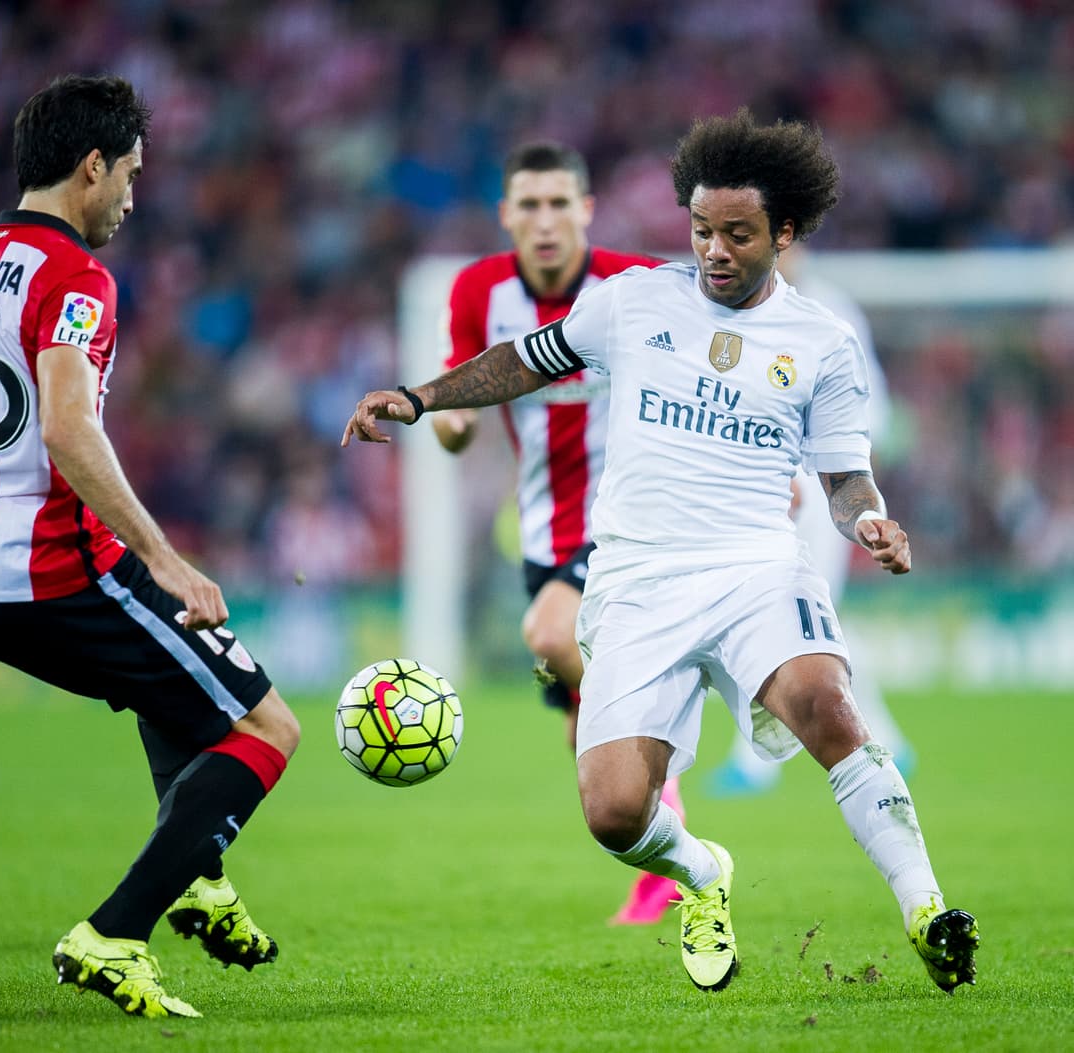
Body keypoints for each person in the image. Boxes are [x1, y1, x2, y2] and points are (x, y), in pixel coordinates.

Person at [344, 109, 977, 995]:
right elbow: (526, 360)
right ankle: (704, 872)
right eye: (702, 229)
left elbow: (845, 479)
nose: (715, 250)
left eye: (739, 233)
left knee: (828, 707)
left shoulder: (823, 343)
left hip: (758, 566)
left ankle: (927, 909)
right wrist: (418, 398)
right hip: (637, 580)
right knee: (611, 813)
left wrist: (870, 520)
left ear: (784, 233)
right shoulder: (635, 302)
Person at [0, 74, 299, 1020]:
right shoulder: (77, 278)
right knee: (266, 729)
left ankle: (199, 879)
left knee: (164, 680)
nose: (132, 196)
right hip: (58, 568)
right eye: (129, 174)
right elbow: (66, 428)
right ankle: (114, 933)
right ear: (92, 167)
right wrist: (169, 559)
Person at [431, 141, 684, 925]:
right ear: (507, 215)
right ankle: (656, 858)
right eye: (528, 206)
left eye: (558, 203)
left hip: (637, 514)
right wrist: (451, 420)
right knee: (586, 716)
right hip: (545, 525)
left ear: (586, 210)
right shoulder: (479, 289)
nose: (545, 221)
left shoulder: (634, 284)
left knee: (547, 634)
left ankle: (667, 804)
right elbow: (460, 391)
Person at [706, 243, 916, 796]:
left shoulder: (833, 312)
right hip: (753, 493)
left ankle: (755, 760)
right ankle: (890, 738)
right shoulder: (732, 312)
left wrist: (846, 486)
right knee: (813, 616)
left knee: (794, 613)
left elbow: (873, 414)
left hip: (820, 495)